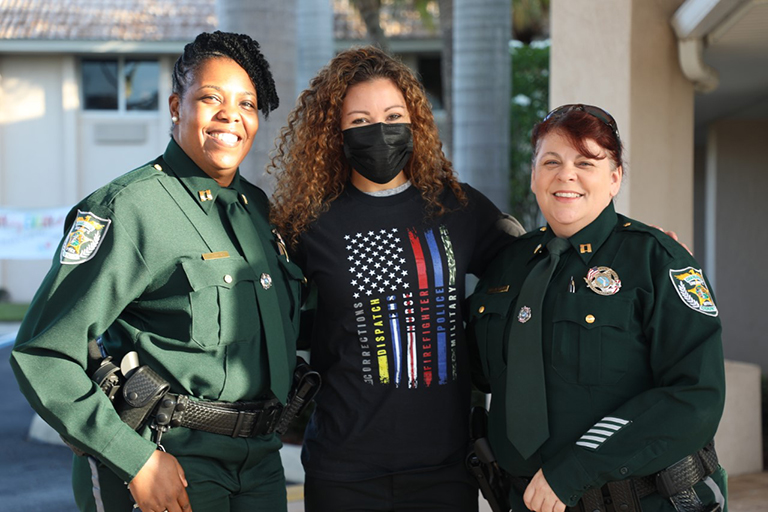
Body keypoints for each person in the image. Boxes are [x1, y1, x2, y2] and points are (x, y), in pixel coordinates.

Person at [10, 31, 305, 512]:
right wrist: (135, 459)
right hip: (170, 461)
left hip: (260, 466)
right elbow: (45, 352)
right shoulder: (128, 209)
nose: (231, 115)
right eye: (211, 97)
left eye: (247, 104)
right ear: (175, 105)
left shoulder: (256, 211)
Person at [268, 46, 523, 511]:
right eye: (360, 121)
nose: (379, 132)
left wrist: (629, 252)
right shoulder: (310, 222)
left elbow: (537, 266)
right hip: (343, 470)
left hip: (445, 470)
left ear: (415, 122)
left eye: (392, 115)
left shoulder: (458, 207)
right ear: (335, 133)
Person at [468, 104, 727, 512]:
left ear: (614, 178)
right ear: (534, 176)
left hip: (642, 502)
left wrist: (573, 471)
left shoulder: (657, 261)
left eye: (586, 162)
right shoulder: (507, 265)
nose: (565, 174)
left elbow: (696, 395)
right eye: (550, 161)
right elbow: (475, 372)